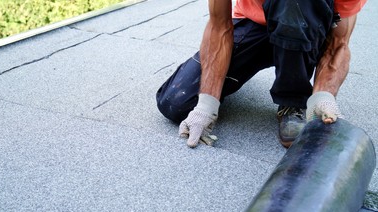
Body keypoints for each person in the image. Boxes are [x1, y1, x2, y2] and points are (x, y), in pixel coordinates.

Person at [156, 0, 367, 148]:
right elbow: (219, 26)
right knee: (176, 102)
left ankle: (292, 101)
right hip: (254, 26)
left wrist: (323, 95)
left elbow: (338, 43)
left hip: (306, 31)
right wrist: (206, 104)